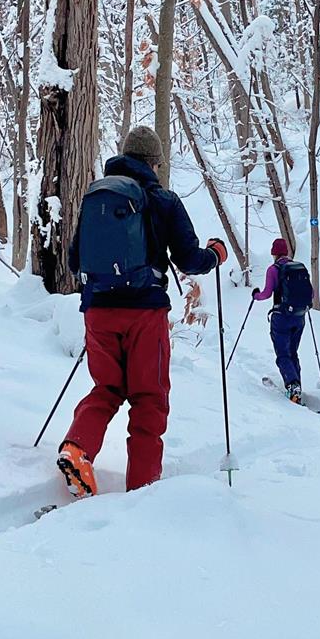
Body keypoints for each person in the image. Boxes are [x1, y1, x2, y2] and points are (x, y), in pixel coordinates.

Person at [57, 126, 227, 498]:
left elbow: (73, 261)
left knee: (107, 387)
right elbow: (189, 259)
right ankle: (144, 492)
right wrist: (215, 254)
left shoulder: (96, 198)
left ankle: (77, 449)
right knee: (149, 398)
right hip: (144, 314)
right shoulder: (163, 200)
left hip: (98, 311)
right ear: (153, 163)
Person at [252, 238, 312, 404]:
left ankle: (293, 387)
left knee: (283, 354)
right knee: (293, 353)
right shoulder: (299, 268)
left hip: (281, 318)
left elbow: (266, 294)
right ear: (286, 252)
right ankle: (297, 385)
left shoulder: (274, 269)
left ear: (274, 253)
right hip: (299, 317)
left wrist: (255, 295)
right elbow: (311, 294)